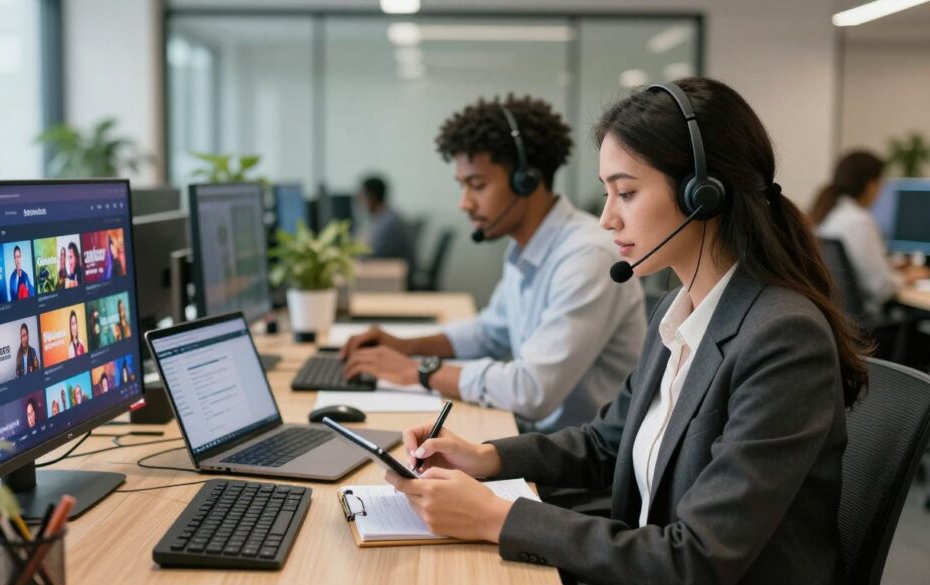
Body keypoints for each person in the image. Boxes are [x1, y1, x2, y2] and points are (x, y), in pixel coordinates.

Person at [388, 78, 868, 584]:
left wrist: (494, 517)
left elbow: (698, 559)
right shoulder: (679, 312)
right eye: (606, 194)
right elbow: (607, 442)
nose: (607, 218)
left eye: (627, 192)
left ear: (703, 195)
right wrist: (486, 458)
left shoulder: (783, 339)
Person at [342, 95, 647, 431]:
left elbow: (532, 391)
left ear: (526, 180)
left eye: (477, 185)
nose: (464, 203)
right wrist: (405, 346)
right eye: (462, 186)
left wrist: (418, 370)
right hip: (542, 441)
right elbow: (490, 332)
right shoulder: (524, 248)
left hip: (580, 465)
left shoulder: (588, 257)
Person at [810, 150, 930, 315]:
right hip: (869, 326)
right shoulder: (860, 221)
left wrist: (889, 267)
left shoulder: (829, 212)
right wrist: (908, 277)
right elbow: (881, 288)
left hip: (838, 318)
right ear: (870, 185)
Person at [357, 175, 416, 270]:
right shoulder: (385, 216)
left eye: (362, 196)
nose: (359, 201)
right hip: (394, 272)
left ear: (371, 197)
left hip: (399, 277)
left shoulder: (389, 223)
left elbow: (374, 255)